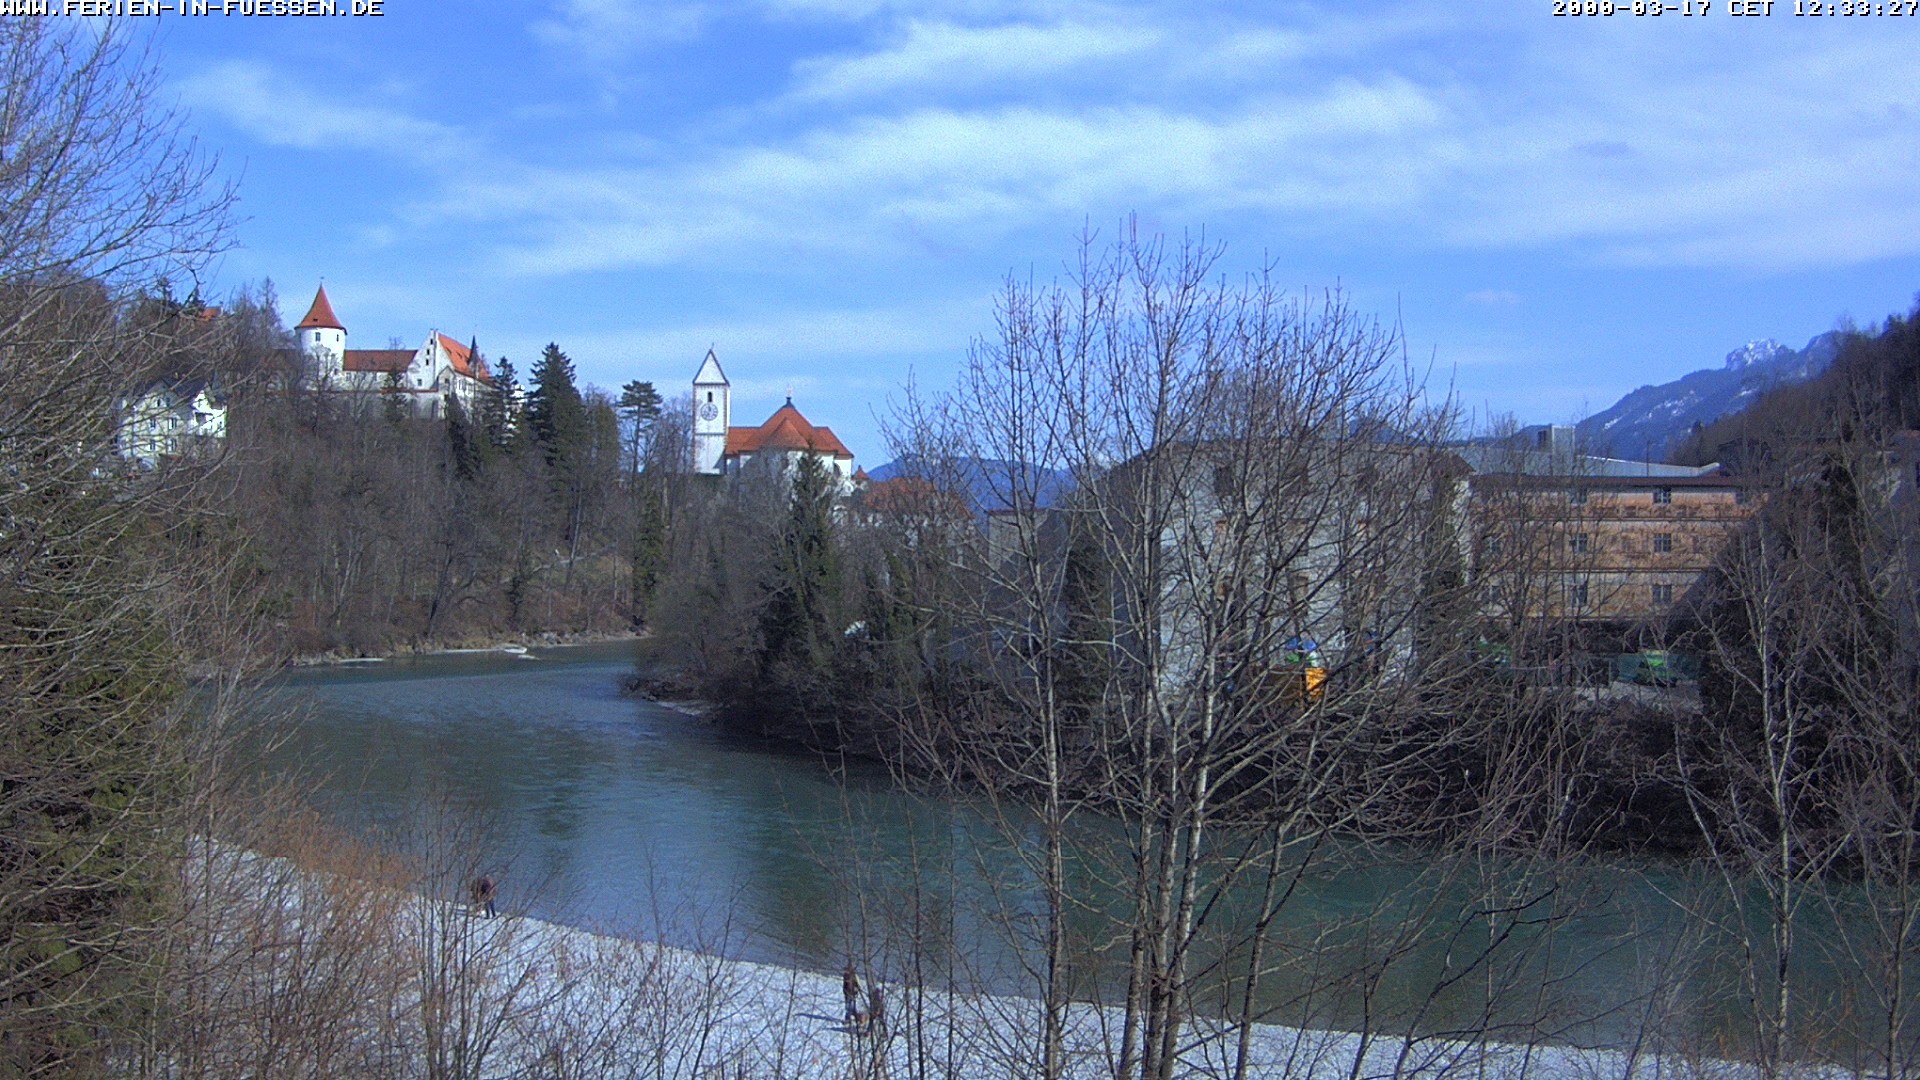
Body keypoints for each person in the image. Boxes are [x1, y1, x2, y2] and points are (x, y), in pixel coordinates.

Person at [841, 963, 861, 1028]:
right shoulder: (845, 975)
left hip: (852, 993)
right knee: (851, 1007)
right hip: (847, 993)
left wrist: (856, 991)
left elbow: (857, 986)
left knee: (849, 1007)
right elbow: (845, 985)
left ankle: (848, 1019)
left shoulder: (853, 977)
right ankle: (855, 1018)